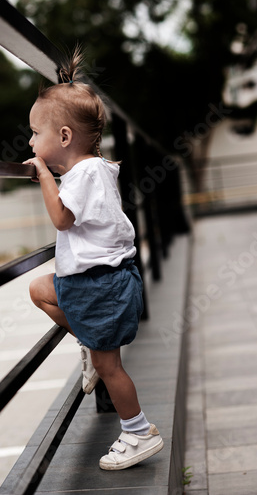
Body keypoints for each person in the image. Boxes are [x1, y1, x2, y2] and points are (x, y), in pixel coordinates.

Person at [23, 47, 164, 470]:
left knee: (110, 369)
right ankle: (86, 338)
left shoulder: (82, 174)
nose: (30, 141)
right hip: (95, 284)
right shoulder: (92, 170)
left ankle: (138, 431)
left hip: (100, 286)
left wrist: (45, 176)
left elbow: (62, 219)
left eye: (35, 133)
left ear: (64, 138)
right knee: (38, 288)